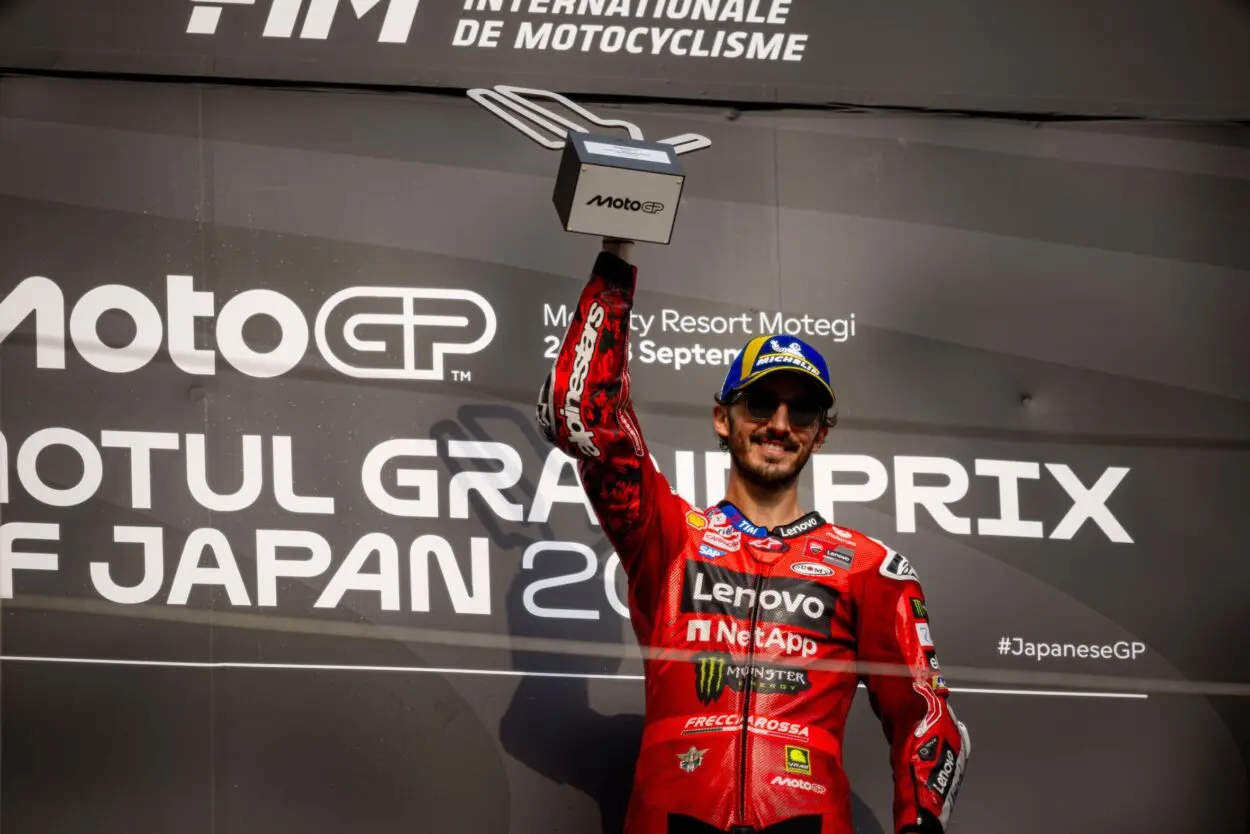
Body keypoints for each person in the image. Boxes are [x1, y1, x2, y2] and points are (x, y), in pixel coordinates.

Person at [536, 238, 971, 834]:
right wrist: (616, 255)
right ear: (724, 418)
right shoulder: (670, 538)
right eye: (762, 403)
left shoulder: (869, 568)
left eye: (803, 412)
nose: (780, 424)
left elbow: (929, 718)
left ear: (820, 434)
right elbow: (584, 414)